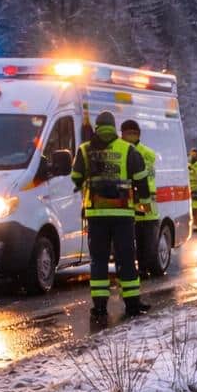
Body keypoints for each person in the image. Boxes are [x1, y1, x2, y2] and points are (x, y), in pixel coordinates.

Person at [71, 111, 150, 318]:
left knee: (99, 260)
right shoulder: (127, 150)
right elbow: (141, 178)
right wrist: (145, 203)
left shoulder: (85, 150)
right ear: (114, 128)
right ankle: (132, 304)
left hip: (96, 214)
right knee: (125, 258)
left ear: (97, 127)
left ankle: (99, 307)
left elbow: (76, 176)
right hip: (122, 214)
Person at [120, 120, 159, 277]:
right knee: (134, 241)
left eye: (132, 132)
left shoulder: (141, 153)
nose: (130, 135)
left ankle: (141, 269)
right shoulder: (147, 153)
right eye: (127, 132)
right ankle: (139, 269)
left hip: (141, 203)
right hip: (136, 203)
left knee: (143, 240)